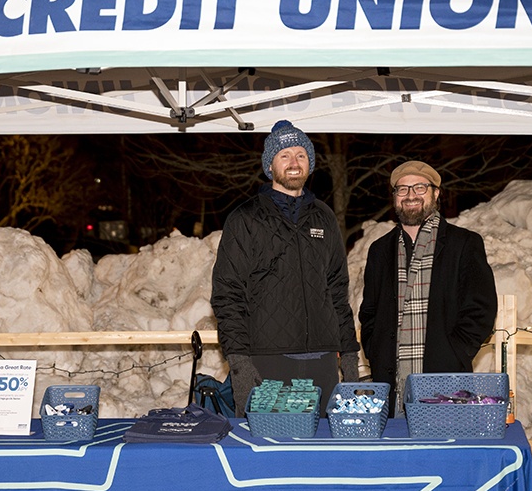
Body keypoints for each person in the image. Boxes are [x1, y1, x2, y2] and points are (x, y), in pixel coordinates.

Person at [211, 120, 360, 418]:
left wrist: (350, 356)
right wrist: (239, 363)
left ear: (310, 164)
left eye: (301, 155)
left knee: (322, 455)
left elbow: (337, 290)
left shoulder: (324, 217)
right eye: (285, 155)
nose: (294, 162)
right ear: (270, 166)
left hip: (322, 360)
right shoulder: (245, 219)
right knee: (270, 453)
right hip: (268, 360)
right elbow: (227, 295)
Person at [358, 160, 497, 414]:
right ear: (395, 198)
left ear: (436, 193)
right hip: (391, 385)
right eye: (402, 189)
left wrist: (454, 351)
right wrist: (375, 350)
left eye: (420, 187)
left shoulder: (463, 244)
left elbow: (482, 310)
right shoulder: (380, 250)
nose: (410, 195)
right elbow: (369, 312)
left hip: (447, 382)